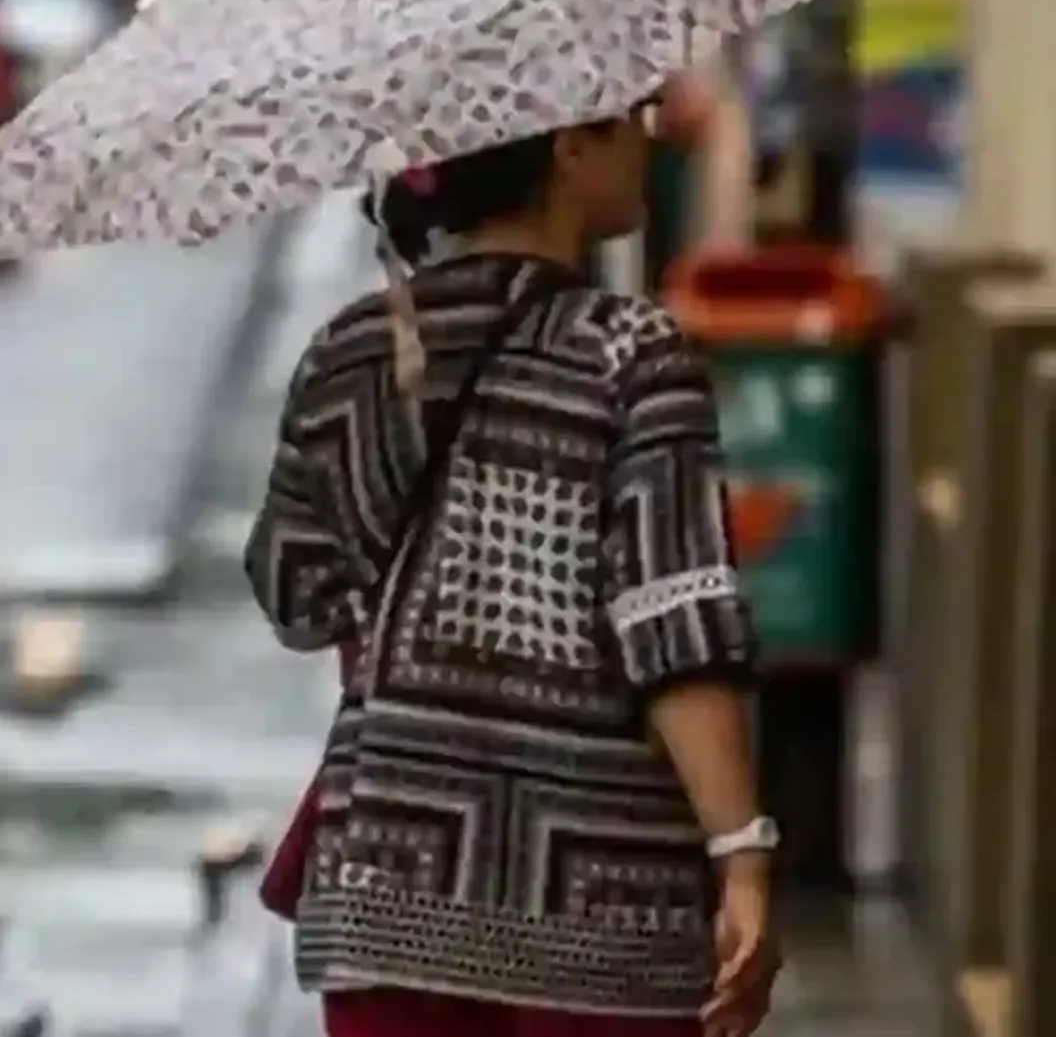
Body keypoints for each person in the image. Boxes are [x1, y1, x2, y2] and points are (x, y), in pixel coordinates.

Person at [245, 89, 777, 1037]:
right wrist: (743, 852)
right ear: (571, 147)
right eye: (634, 115)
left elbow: (296, 594)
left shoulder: (354, 350)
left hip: (388, 883)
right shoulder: (633, 356)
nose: (650, 140)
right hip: (600, 909)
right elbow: (675, 627)